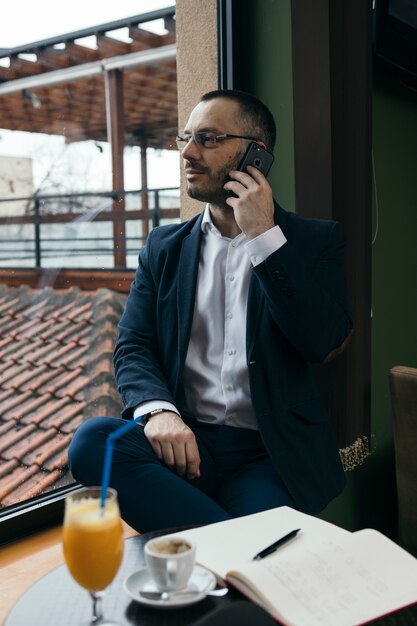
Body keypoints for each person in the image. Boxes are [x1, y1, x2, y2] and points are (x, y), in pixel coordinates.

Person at [69, 89, 353, 533]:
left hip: (267, 453)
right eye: (185, 137)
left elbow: (323, 341)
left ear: (255, 155)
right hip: (185, 441)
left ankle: (220, 548)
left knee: (246, 528)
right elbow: (133, 344)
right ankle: (241, 551)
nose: (187, 152)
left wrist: (264, 238)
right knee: (92, 443)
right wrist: (158, 410)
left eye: (207, 138)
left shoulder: (316, 242)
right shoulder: (163, 247)